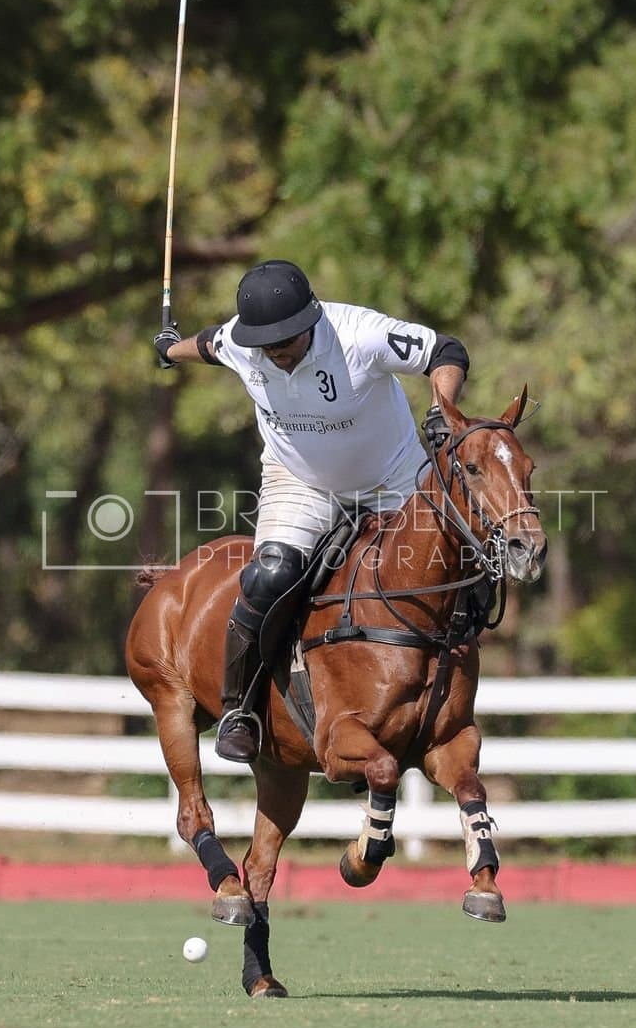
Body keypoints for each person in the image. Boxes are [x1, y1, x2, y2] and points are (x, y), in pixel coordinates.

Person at [153, 259, 469, 763]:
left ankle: (450, 705)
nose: (276, 352)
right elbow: (209, 343)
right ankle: (243, 708)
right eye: (266, 343)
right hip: (300, 482)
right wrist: (170, 348)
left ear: (312, 319)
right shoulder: (243, 341)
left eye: (287, 339)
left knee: (456, 568)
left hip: (394, 481)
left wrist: (440, 409)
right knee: (267, 578)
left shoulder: (359, 335)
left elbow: (445, 350)